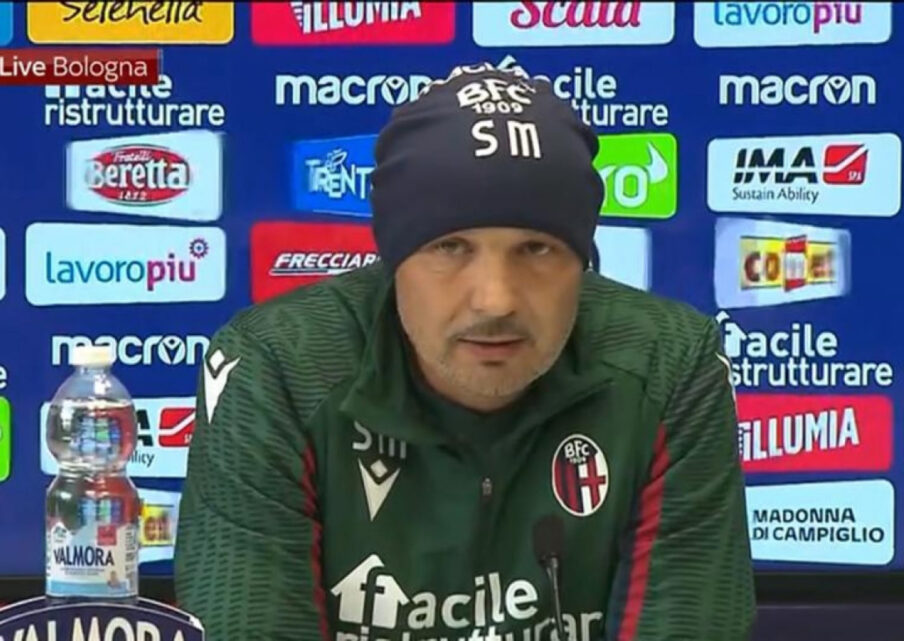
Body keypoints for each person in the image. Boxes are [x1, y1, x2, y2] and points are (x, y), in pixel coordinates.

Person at [174, 61, 755, 641]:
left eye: (536, 249)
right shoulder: (280, 367)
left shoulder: (669, 365)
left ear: (582, 262)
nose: (495, 299)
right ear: (394, 259)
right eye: (450, 247)